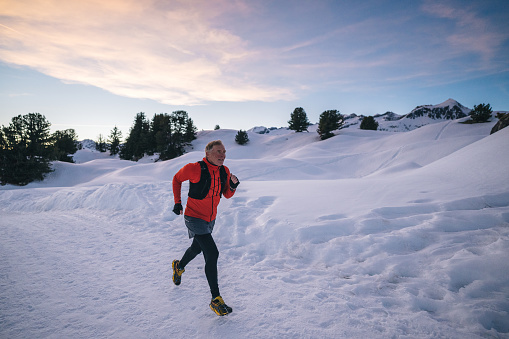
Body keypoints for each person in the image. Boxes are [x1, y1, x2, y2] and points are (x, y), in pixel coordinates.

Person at [171, 140, 239, 316]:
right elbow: (176, 179)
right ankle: (216, 299)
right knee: (212, 253)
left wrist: (232, 186)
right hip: (193, 217)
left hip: (210, 219)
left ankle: (179, 266)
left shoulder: (225, 171)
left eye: (224, 151)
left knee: (197, 247)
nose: (222, 155)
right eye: (218, 151)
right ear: (207, 153)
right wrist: (177, 202)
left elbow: (226, 194)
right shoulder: (194, 168)